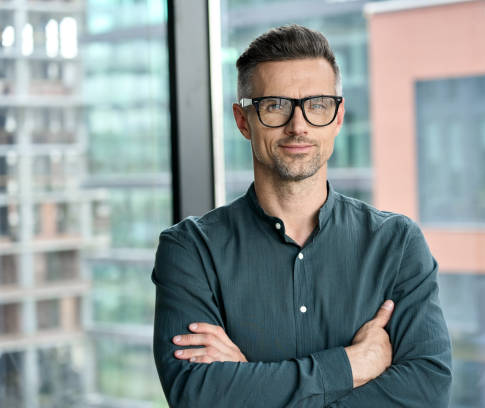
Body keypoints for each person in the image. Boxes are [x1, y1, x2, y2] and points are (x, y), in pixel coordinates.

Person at [152, 24, 452, 407]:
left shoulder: (397, 244)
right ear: (243, 120)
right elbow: (198, 396)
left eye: (317, 105)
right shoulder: (191, 250)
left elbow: (427, 392)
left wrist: (251, 385)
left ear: (338, 116)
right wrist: (351, 365)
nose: (299, 126)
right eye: (275, 106)